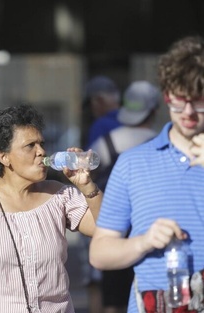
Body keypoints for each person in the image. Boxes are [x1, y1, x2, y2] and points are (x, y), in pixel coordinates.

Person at [0, 104, 103, 313]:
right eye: (30, 146)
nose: (41, 152)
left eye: (41, 144)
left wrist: (87, 185)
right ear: (4, 157)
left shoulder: (59, 196)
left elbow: (105, 229)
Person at [90, 35, 204, 313]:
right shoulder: (133, 163)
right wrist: (143, 242)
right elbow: (100, 253)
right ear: (165, 96)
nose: (188, 112)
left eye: (199, 101)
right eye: (179, 100)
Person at [89, 80, 160, 313]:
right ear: (154, 109)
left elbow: (88, 175)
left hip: (113, 231)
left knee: (112, 298)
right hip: (152, 231)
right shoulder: (161, 143)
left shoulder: (106, 142)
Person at [80, 75, 121, 313]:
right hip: (131, 211)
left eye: (93, 104)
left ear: (99, 100)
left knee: (96, 278)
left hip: (103, 207)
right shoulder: (137, 124)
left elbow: (89, 169)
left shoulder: (101, 126)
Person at [83, 75, 122, 148]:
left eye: (90, 103)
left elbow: (90, 158)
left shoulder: (100, 126)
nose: (90, 109)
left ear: (99, 100)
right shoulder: (134, 122)